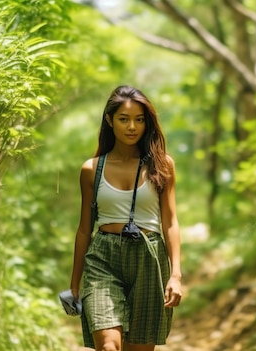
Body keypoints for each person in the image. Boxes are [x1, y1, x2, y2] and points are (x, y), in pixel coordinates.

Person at [69, 85, 182, 351]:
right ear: (110, 120)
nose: (132, 126)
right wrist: (75, 283)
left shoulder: (162, 164)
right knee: (109, 346)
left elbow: (170, 222)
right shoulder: (91, 169)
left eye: (139, 119)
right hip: (103, 258)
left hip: (149, 258)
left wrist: (176, 275)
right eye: (124, 119)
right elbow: (85, 229)